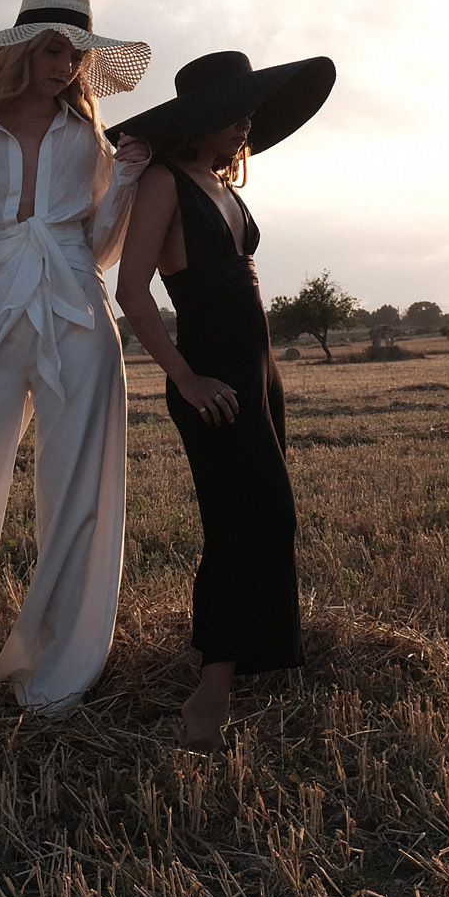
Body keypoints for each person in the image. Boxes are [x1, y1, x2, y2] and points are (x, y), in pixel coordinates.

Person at [0, 0, 151, 715]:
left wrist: (128, 182)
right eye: (52, 48)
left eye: (78, 52)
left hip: (77, 315)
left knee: (81, 494)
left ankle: (56, 670)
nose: (67, 63)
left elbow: (98, 247)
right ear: (17, 50)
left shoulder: (91, 139)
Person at [112, 49, 336, 751]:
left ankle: (219, 656)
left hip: (256, 376)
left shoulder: (220, 184)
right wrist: (184, 378)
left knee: (248, 521)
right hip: (210, 381)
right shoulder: (162, 184)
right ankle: (207, 700)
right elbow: (132, 291)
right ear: (198, 119)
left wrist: (266, 374)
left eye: (250, 113)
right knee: (259, 521)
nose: (246, 123)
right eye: (234, 112)